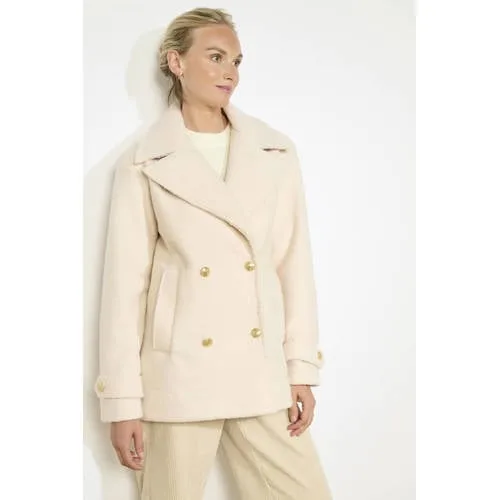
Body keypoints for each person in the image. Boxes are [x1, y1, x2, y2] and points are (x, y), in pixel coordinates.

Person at [94, 7, 332, 500]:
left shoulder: (275, 152)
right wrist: (122, 402)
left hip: (258, 368)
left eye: (237, 61)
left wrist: (300, 369)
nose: (230, 73)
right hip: (179, 375)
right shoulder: (143, 162)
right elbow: (124, 288)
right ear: (176, 62)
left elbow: (293, 266)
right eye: (216, 57)